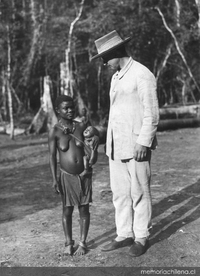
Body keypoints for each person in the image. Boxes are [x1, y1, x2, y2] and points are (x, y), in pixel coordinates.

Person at [91, 30, 159, 257]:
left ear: (117, 52)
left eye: (104, 58)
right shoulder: (116, 76)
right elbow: (117, 113)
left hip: (136, 145)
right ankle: (124, 233)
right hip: (116, 146)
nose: (103, 63)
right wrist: (105, 139)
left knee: (139, 191)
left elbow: (152, 113)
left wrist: (144, 142)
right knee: (120, 193)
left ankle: (141, 236)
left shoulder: (142, 74)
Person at [48, 95, 99, 256]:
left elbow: (92, 145)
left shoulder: (81, 126)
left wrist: (95, 139)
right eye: (65, 108)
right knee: (67, 210)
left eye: (72, 107)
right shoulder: (55, 131)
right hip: (66, 176)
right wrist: (54, 179)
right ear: (58, 110)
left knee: (84, 209)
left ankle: (83, 243)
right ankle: (68, 243)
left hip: (84, 174)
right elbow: (51, 157)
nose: (70, 110)